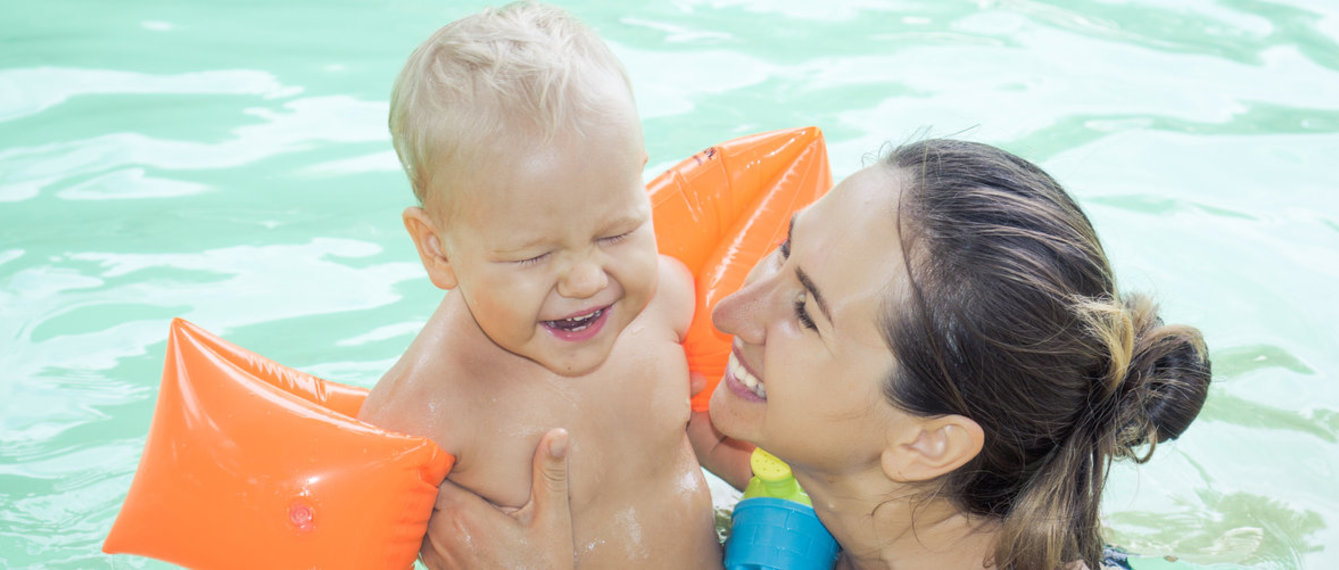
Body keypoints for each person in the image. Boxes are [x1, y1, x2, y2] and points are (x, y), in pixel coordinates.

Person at [419, 138, 1213, 570]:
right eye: (782, 248)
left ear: (926, 441)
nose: (731, 311)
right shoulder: (870, 521)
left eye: (804, 312)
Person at [356, 2, 721, 567]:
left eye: (616, 232)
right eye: (536, 255)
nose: (585, 280)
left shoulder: (665, 302)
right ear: (437, 248)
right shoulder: (424, 415)